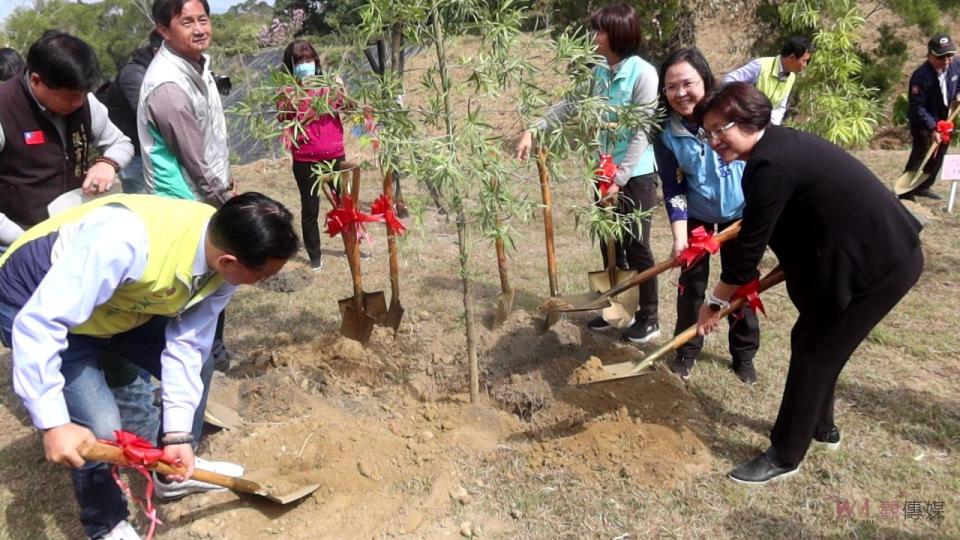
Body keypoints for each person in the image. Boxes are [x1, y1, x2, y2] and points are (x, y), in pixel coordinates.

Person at [0, 192, 299, 539]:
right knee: (99, 425)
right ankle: (106, 523)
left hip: (119, 303)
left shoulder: (223, 260)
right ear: (230, 261)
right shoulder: (123, 239)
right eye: (260, 277)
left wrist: (177, 434)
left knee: (200, 363)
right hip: (37, 298)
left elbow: (187, 345)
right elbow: (41, 323)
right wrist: (52, 422)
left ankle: (170, 472)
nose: (260, 284)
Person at [695, 82, 923, 484]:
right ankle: (822, 427)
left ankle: (785, 454)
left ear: (748, 118)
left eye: (720, 129)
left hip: (881, 264)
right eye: (708, 133)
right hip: (870, 253)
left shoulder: (769, 165)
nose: (714, 141)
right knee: (813, 341)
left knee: (815, 352)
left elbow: (749, 250)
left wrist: (715, 301)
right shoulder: (777, 148)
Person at [515, 3, 661, 343]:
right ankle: (615, 311)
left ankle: (649, 318)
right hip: (602, 170)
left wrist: (620, 179)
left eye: (598, 31)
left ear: (617, 34)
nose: (592, 37)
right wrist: (533, 129)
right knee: (606, 240)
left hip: (634, 173)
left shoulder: (644, 74)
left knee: (636, 244)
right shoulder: (598, 71)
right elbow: (569, 105)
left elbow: (641, 131)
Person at [654, 48, 760, 384]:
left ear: (705, 80)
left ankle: (743, 355)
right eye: (671, 86)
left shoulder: (731, 114)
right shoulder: (666, 131)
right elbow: (674, 186)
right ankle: (686, 351)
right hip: (697, 215)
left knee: (741, 282)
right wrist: (679, 235)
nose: (680, 93)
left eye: (687, 83)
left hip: (739, 213)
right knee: (692, 286)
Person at [0, 32, 133, 248]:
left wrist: (107, 163)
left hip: (75, 233)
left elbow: (121, 143)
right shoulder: (5, 108)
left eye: (84, 93)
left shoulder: (85, 102)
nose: (79, 102)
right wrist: (23, 240)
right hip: (17, 240)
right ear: (36, 81)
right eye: (71, 96)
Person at [138, 0, 231, 206]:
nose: (199, 30)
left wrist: (226, 180)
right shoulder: (168, 87)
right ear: (164, 30)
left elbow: (211, 134)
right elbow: (195, 164)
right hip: (184, 200)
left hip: (205, 191)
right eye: (187, 23)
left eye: (203, 20)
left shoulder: (199, 65)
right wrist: (227, 203)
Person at [277, 38, 347, 271]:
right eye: (300, 61)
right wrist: (290, 102)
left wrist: (340, 89)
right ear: (292, 64)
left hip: (334, 153)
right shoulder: (288, 90)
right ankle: (315, 256)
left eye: (308, 59)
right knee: (310, 208)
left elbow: (345, 105)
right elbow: (284, 119)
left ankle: (351, 245)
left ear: (315, 60)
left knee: (345, 203)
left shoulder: (329, 82)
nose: (306, 64)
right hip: (306, 158)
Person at [899, 33, 960, 201]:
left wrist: (958, 93)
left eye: (949, 55)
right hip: (924, 121)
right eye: (941, 56)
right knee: (921, 153)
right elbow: (917, 107)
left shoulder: (956, 65)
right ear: (930, 55)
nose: (946, 60)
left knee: (939, 154)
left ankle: (924, 186)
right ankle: (906, 191)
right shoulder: (920, 77)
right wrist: (932, 128)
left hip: (946, 119)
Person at [102, 31, 164, 194]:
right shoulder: (134, 75)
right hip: (135, 155)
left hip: (155, 150)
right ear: (158, 49)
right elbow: (148, 114)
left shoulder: (158, 69)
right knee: (145, 206)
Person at [722, 36, 812, 125]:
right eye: (804, 61)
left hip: (761, 127)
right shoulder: (760, 66)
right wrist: (743, 102)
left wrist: (772, 126)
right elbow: (729, 80)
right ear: (792, 57)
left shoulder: (791, 77)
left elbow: (780, 107)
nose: (805, 65)